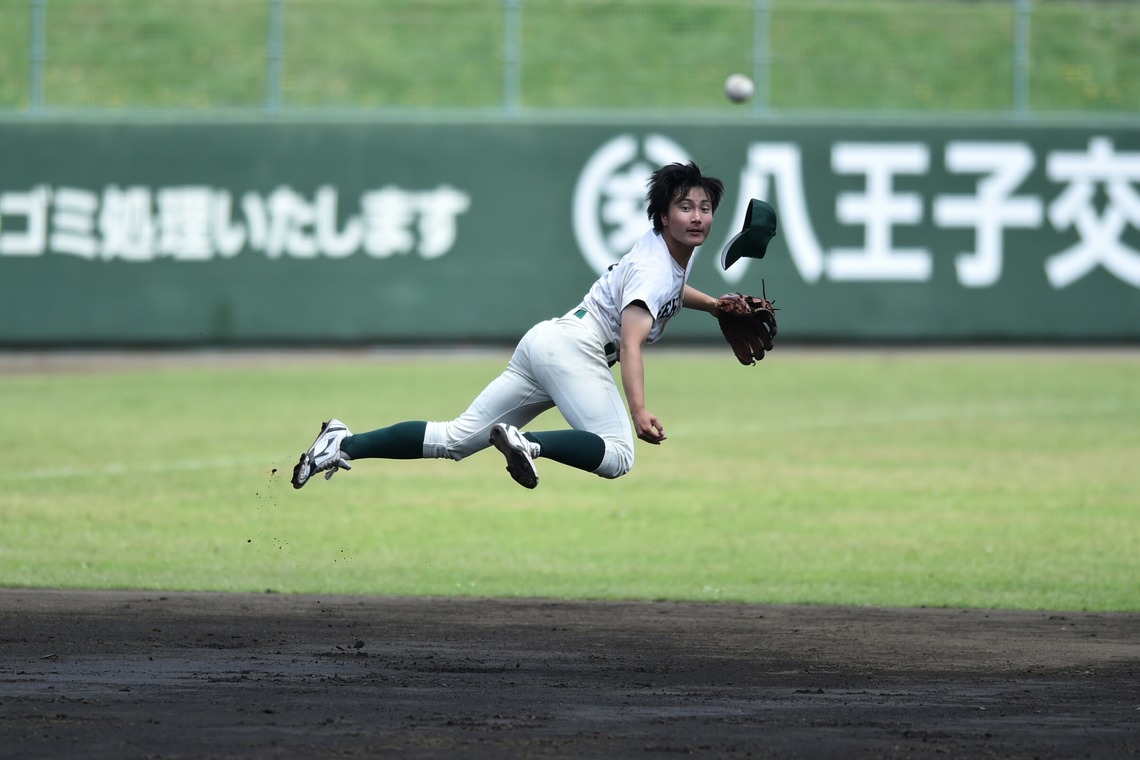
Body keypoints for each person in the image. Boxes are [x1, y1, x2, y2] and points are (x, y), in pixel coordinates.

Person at [291, 161, 732, 491]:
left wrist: (714, 307)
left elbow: (672, 291)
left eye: (705, 208)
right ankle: (529, 443)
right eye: (685, 207)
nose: (696, 217)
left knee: (457, 439)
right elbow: (632, 343)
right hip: (579, 350)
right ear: (662, 217)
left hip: (548, 342)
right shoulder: (656, 270)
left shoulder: (667, 251)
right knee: (617, 455)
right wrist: (638, 410)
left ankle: (343, 443)